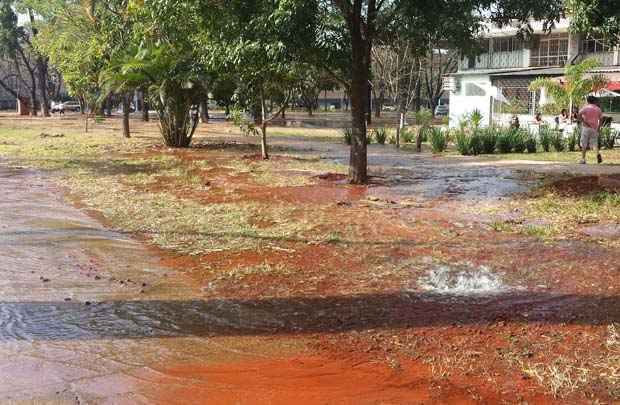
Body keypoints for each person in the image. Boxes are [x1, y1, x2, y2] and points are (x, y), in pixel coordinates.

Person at [577, 95, 603, 164]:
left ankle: (583, 159)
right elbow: (601, 119)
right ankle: (597, 154)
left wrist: (583, 121)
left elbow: (578, 114)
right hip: (594, 128)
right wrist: (598, 128)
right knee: (594, 143)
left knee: (584, 143)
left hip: (586, 127)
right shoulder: (598, 109)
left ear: (588, 101)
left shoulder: (585, 108)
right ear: (594, 101)